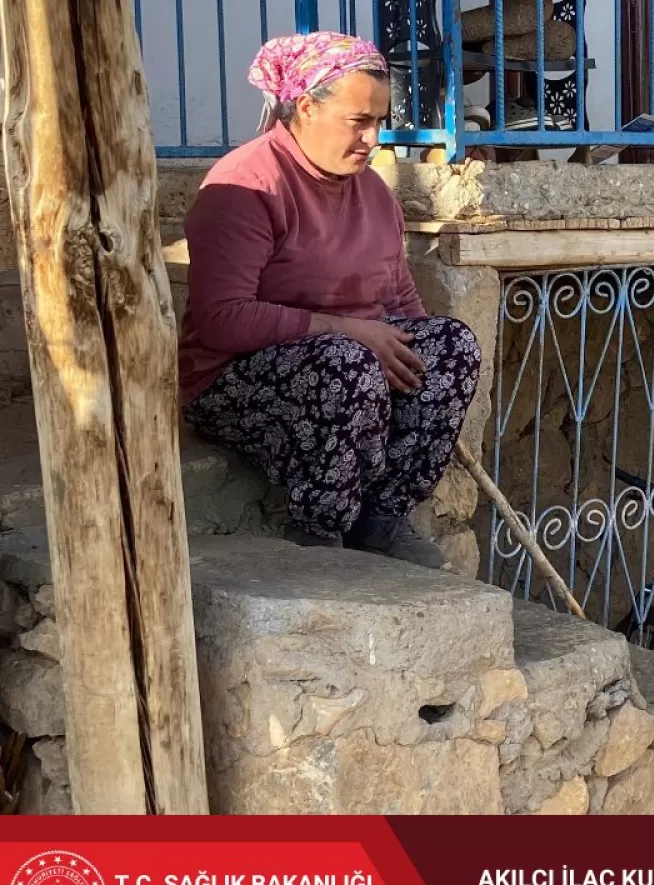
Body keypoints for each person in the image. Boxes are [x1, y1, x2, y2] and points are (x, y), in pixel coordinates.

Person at [179, 32, 481, 568]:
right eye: (357, 121)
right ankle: (320, 529)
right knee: (347, 362)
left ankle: (381, 519)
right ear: (306, 108)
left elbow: (399, 295)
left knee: (451, 346)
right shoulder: (245, 186)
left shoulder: (374, 192)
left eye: (379, 121)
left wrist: (422, 368)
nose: (372, 138)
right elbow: (222, 319)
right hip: (237, 380)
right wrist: (345, 329)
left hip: (351, 363)